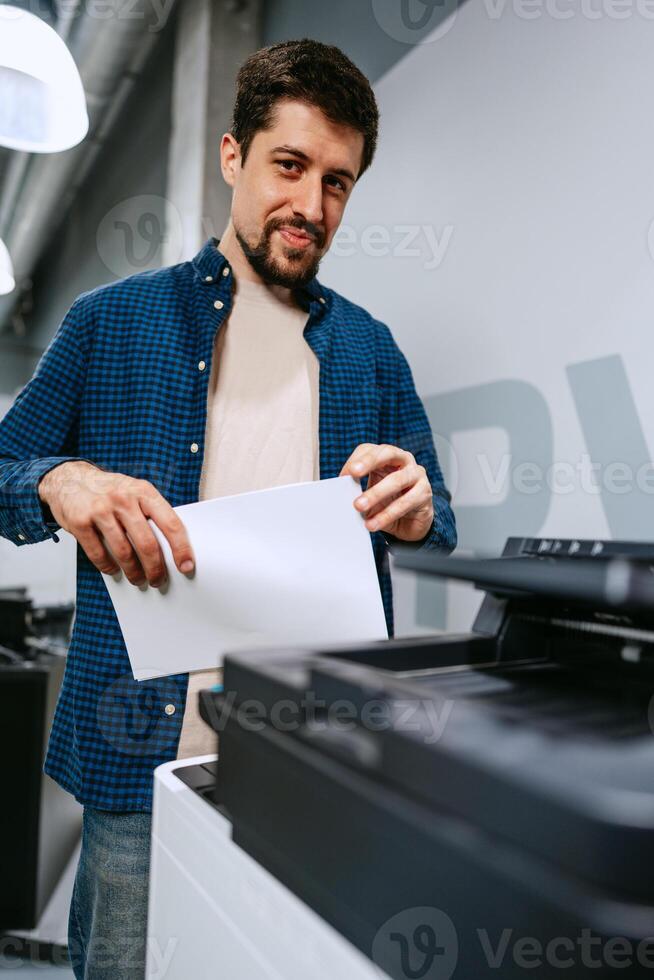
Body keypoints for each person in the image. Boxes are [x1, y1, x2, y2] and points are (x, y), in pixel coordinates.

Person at [0, 38, 456, 979]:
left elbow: (435, 511)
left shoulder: (372, 353)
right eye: (289, 166)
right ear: (233, 156)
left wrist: (418, 508)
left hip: (314, 763)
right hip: (141, 761)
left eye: (338, 182)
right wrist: (56, 481)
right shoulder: (107, 324)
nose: (311, 206)